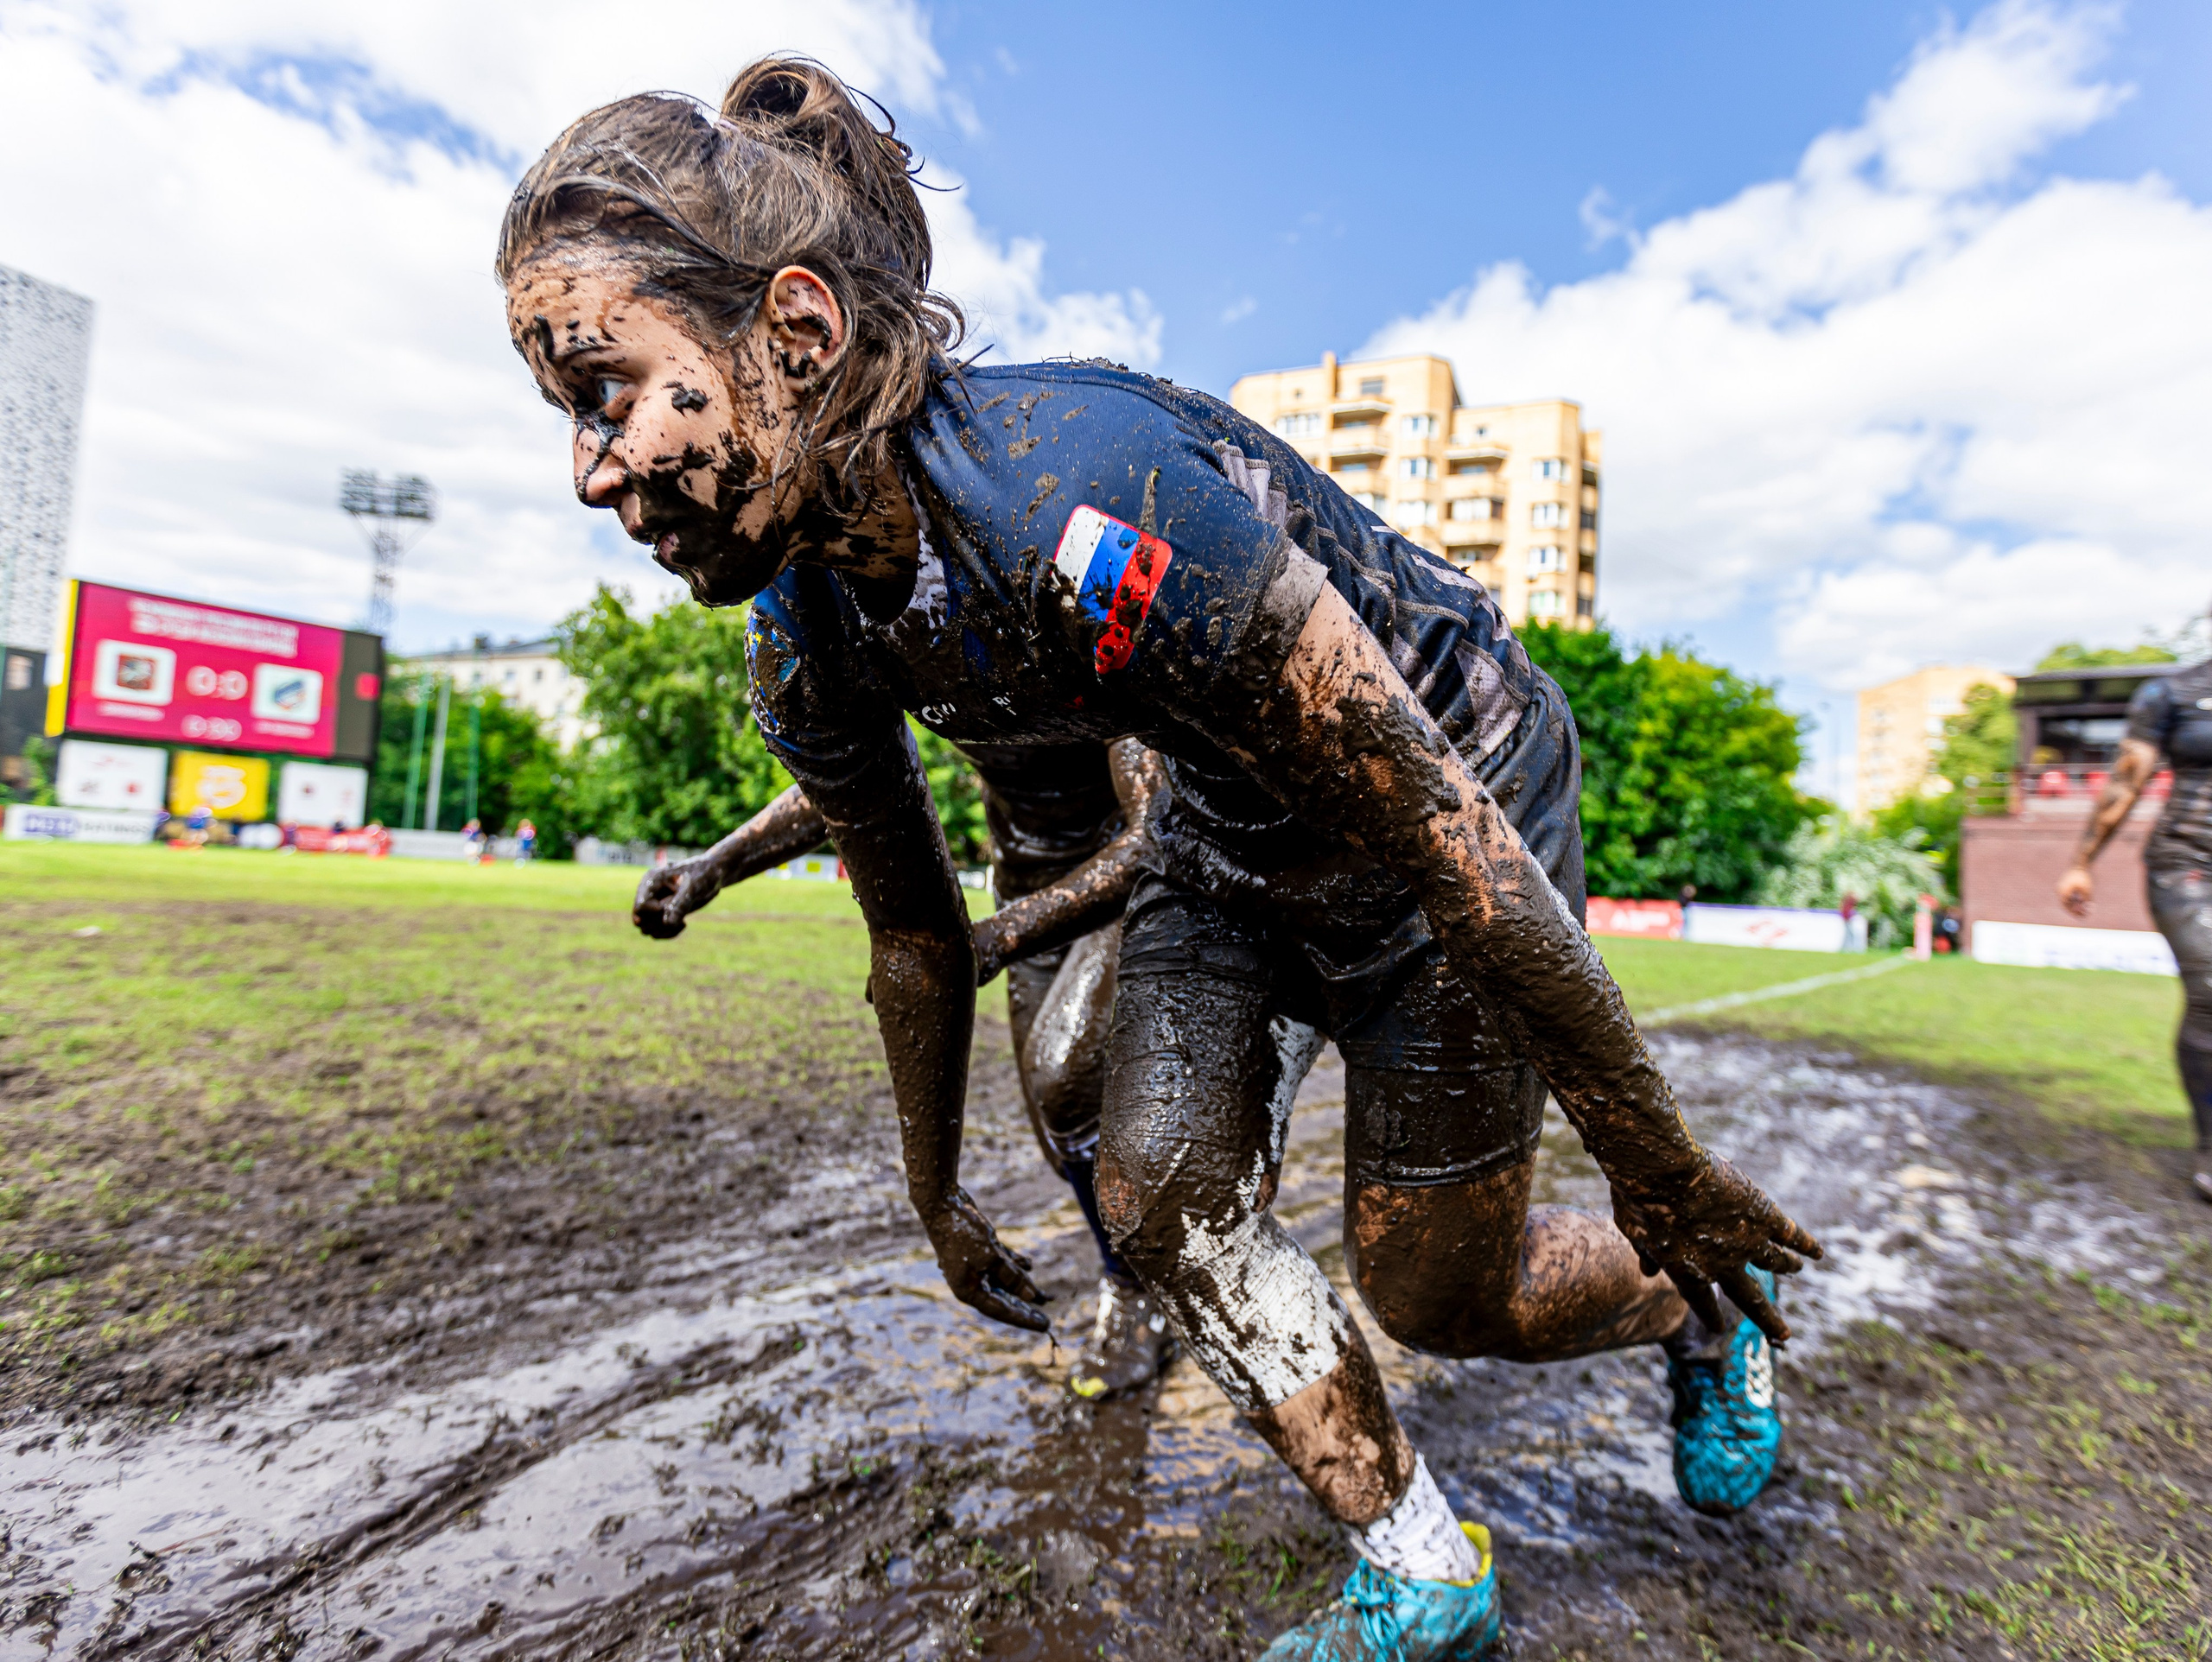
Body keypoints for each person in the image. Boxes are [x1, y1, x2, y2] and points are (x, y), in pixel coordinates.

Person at [497, 62, 1821, 1659]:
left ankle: (1710, 1307)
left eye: (607, 392)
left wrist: (1656, 1158)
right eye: (570, 416)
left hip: (1448, 795)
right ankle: (1420, 1565)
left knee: (1441, 1291)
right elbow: (915, 940)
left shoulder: (1084, 498)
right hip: (1229, 827)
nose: (592, 468)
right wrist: (934, 1195)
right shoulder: (802, 635)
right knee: (1160, 1194)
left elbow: (1447, 831)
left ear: (795, 330)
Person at [635, 738, 1322, 1396]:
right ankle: (1140, 1269)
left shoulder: (1066, 621)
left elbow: (1152, 831)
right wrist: (715, 864)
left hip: (1137, 881)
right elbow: (845, 775)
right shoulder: (897, 630)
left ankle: (1152, 1290)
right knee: (1063, 1137)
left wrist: (995, 938)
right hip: (1024, 884)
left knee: (1064, 1083)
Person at [2058, 647, 2212, 1203]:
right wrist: (2081, 862)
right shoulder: (2173, 692)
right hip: (2190, 863)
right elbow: (2126, 782)